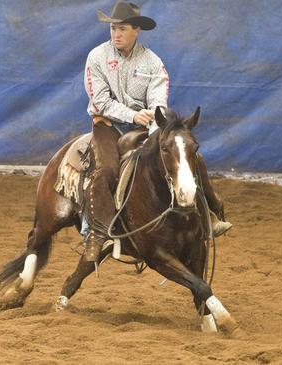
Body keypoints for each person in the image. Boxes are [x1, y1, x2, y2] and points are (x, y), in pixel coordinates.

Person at [82, 1, 231, 262]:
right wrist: (131, 114)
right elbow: (99, 101)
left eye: (122, 29)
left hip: (145, 126)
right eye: (113, 29)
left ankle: (210, 213)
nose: (116, 34)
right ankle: (96, 232)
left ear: (136, 31)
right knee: (106, 169)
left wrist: (154, 130)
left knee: (186, 158)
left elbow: (158, 105)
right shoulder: (97, 57)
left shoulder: (153, 63)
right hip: (108, 126)